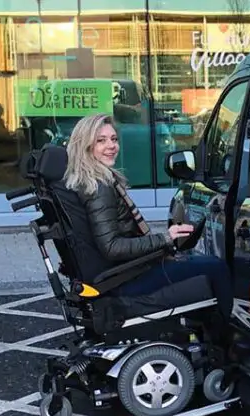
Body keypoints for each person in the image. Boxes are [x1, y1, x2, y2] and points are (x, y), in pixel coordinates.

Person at [63, 113, 233, 321]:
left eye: (114, 139)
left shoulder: (90, 181)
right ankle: (228, 340)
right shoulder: (100, 188)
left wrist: (165, 240)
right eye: (101, 140)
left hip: (123, 272)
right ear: (86, 146)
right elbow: (112, 247)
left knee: (193, 261)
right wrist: (164, 239)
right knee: (215, 267)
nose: (111, 146)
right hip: (125, 280)